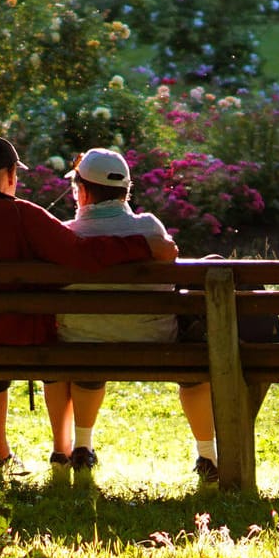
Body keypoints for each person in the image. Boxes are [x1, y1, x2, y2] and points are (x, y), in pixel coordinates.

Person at [0, 134, 177, 475]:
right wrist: (143, 245)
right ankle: (63, 449)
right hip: (19, 336)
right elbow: (81, 254)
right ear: (10, 176)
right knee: (37, 334)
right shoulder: (24, 215)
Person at [57, 147, 222, 484]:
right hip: (156, 341)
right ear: (126, 192)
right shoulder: (149, 227)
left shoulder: (64, 234)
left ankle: (83, 448)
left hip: (80, 343)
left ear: (83, 191)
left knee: (91, 349)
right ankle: (208, 455)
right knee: (195, 368)